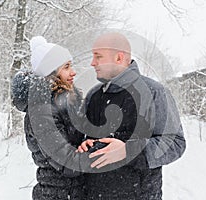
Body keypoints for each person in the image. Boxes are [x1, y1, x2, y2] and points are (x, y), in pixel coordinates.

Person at [77, 32, 186, 199]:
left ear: (119, 58)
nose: (92, 63)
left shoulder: (154, 92)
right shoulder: (93, 95)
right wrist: (84, 144)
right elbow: (81, 140)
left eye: (98, 57)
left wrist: (128, 151)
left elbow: (175, 143)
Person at [11, 36, 85, 200]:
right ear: (51, 72)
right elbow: (66, 162)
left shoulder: (63, 102)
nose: (73, 72)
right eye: (66, 67)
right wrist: (103, 151)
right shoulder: (41, 110)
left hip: (69, 191)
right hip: (58, 194)